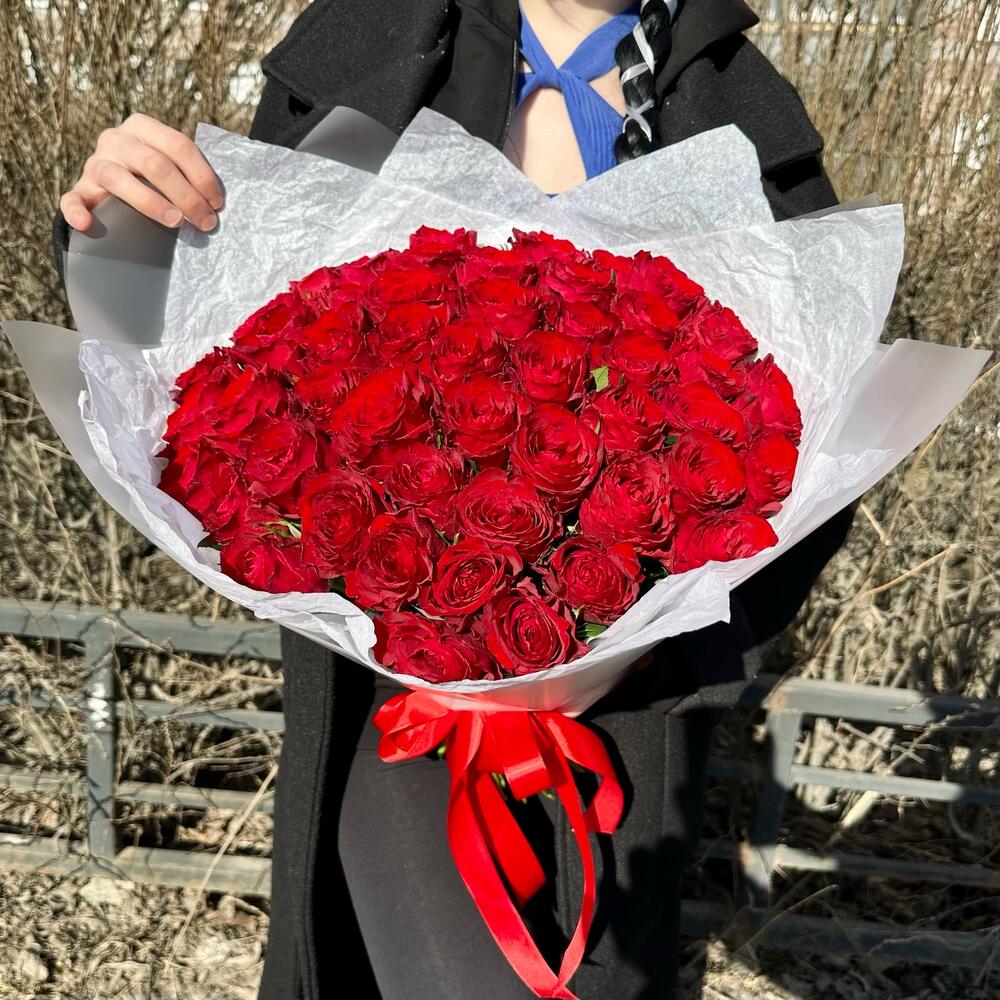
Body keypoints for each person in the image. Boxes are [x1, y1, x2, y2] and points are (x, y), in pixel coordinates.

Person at [49, 1, 857, 997]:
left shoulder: (739, 112)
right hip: (386, 708)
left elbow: (820, 450)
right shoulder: (374, 45)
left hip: (622, 723)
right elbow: (226, 337)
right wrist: (120, 228)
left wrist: (650, 636)